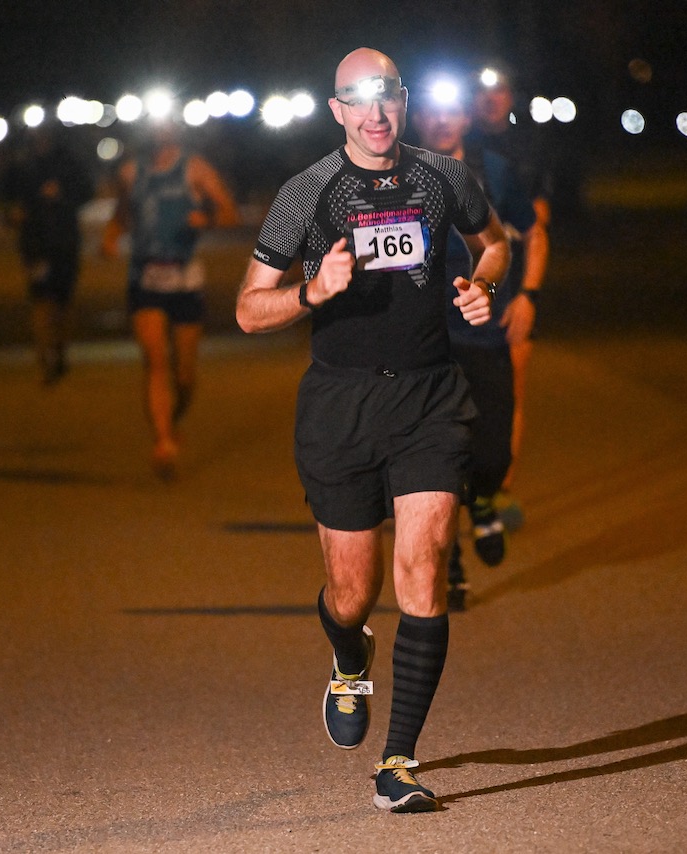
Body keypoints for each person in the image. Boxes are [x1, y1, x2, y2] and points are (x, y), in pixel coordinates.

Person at [235, 48, 510, 812]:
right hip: (341, 407)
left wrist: (482, 287)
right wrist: (311, 291)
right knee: (351, 595)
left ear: (404, 100)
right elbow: (247, 309)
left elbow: (497, 241)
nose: (376, 113)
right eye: (359, 100)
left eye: (386, 96)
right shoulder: (307, 193)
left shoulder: (443, 176)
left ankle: (399, 762)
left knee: (422, 572)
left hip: (428, 400)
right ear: (338, 112)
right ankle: (349, 658)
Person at [411, 82, 542, 612]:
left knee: (492, 453)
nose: (443, 121)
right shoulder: (395, 177)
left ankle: (485, 499)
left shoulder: (495, 172)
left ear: (466, 119)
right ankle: (451, 568)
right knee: (437, 465)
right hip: (423, 343)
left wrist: (529, 295)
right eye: (433, 112)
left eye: (453, 112)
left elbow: (532, 231)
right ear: (416, 117)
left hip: (483, 333)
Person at [102, 117, 241, 478]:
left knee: (184, 373)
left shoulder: (194, 168)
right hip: (144, 275)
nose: (159, 133)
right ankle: (163, 441)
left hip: (184, 277)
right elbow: (122, 213)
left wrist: (205, 220)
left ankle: (172, 420)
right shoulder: (131, 172)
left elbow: (229, 212)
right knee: (154, 359)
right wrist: (111, 236)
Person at [466, 66, 552, 531]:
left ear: (511, 95)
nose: (489, 99)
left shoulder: (529, 149)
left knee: (508, 395)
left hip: (511, 288)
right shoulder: (453, 143)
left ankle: (499, 489)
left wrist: (529, 294)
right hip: (461, 288)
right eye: (479, 92)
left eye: (497, 89)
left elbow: (538, 229)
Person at [0, 126, 96, 385]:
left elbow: (87, 191)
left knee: (63, 303)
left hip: (65, 243)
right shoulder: (21, 165)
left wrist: (63, 195)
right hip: (35, 245)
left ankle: (60, 352)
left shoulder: (68, 162)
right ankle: (45, 359)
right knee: (41, 300)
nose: (41, 139)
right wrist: (12, 213)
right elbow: (2, 199)